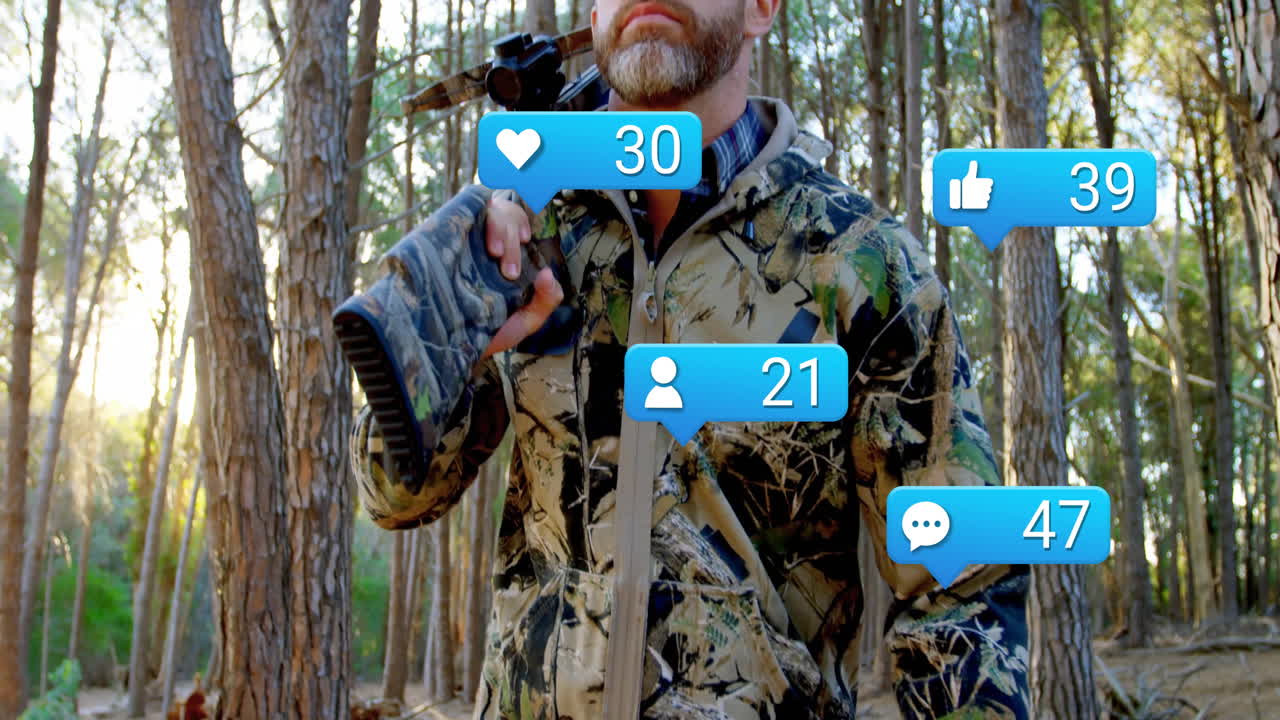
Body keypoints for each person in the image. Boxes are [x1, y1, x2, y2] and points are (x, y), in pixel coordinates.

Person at [352, 0, 1031, 716]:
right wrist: (463, 330)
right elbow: (394, 499)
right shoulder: (528, 226)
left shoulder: (859, 260)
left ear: (762, 9)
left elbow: (964, 590)